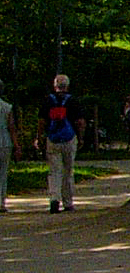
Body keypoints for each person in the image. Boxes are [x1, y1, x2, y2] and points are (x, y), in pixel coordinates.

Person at [43, 73, 80, 212]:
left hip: (53, 139)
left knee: (54, 171)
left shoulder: (48, 101)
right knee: (68, 170)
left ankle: (54, 198)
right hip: (69, 138)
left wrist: (40, 136)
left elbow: (42, 121)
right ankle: (68, 202)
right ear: (67, 86)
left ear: (55, 86)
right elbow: (80, 121)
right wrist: (81, 137)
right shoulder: (73, 101)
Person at [0, 87, 13, 212]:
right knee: (3, 173)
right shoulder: (7, 107)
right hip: (4, 142)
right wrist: (17, 145)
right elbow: (11, 127)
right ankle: (1, 202)